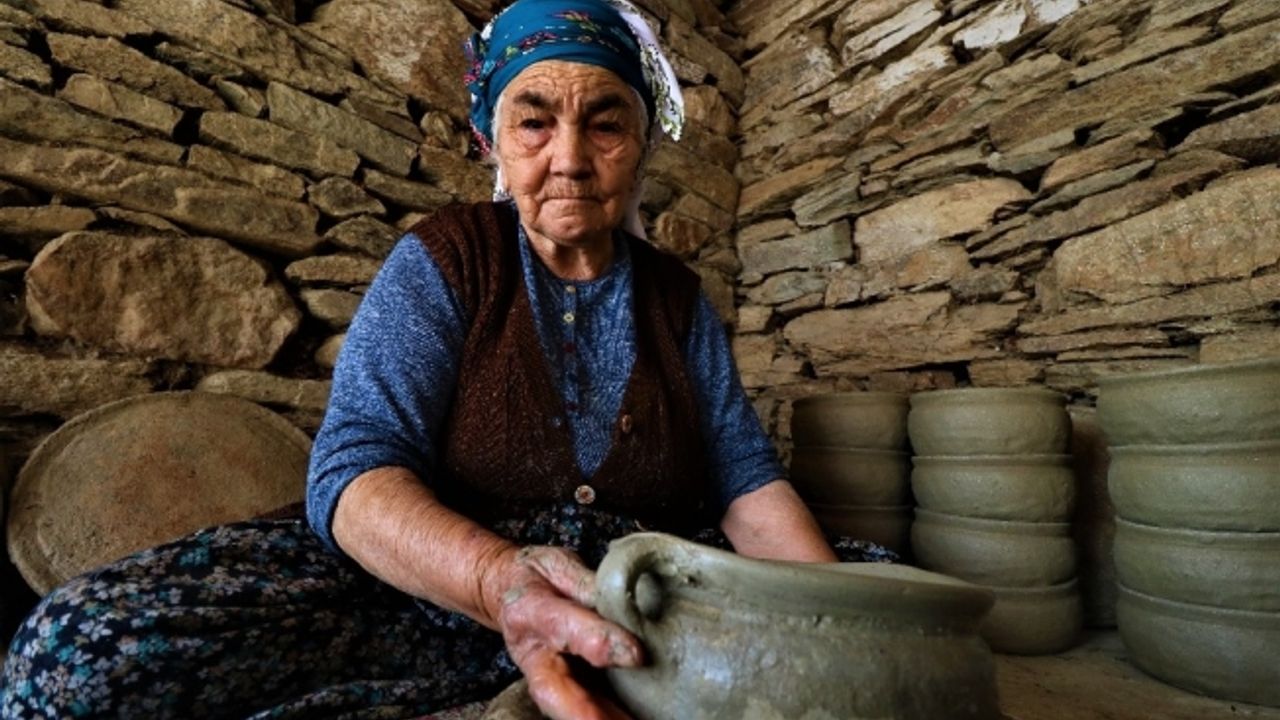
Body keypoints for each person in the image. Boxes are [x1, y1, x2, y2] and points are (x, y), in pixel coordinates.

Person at [0, 1, 892, 718]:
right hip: (436, 582)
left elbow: (745, 484)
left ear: (643, 140)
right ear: (491, 142)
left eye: (605, 123)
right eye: (534, 121)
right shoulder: (446, 257)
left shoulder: (678, 298)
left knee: (884, 601)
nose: (571, 158)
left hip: (637, 586)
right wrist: (496, 579)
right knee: (78, 652)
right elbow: (352, 471)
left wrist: (835, 624)